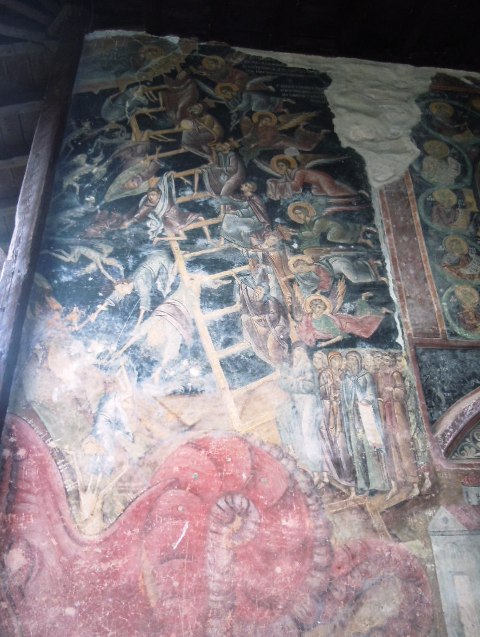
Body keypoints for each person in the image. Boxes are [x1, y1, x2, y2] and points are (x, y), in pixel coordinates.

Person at [340, 351, 390, 495]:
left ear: (359, 362)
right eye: (349, 360)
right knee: (357, 450)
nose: (351, 363)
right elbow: (344, 398)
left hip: (366, 417)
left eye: (353, 360)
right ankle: (363, 484)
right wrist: (349, 407)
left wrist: (364, 401)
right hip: (352, 418)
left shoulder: (366, 376)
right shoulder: (346, 379)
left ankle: (376, 483)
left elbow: (371, 394)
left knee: (370, 449)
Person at [219, 182, 271, 249]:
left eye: (245, 185)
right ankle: (225, 240)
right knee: (228, 218)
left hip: (257, 220)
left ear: (249, 189)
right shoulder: (243, 196)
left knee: (234, 221)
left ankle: (245, 244)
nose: (242, 185)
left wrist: (236, 212)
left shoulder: (255, 198)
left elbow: (251, 211)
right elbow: (235, 201)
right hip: (248, 218)